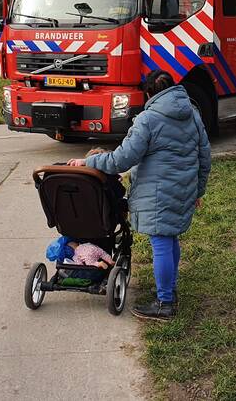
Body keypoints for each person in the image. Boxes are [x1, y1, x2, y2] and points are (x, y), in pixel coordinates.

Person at [67, 70, 211, 321]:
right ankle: (170, 291)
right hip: (183, 188)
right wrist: (198, 190)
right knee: (170, 236)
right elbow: (204, 156)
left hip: (158, 192)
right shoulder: (193, 113)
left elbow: (122, 159)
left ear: (148, 93)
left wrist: (90, 161)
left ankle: (164, 303)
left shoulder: (148, 119)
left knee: (161, 241)